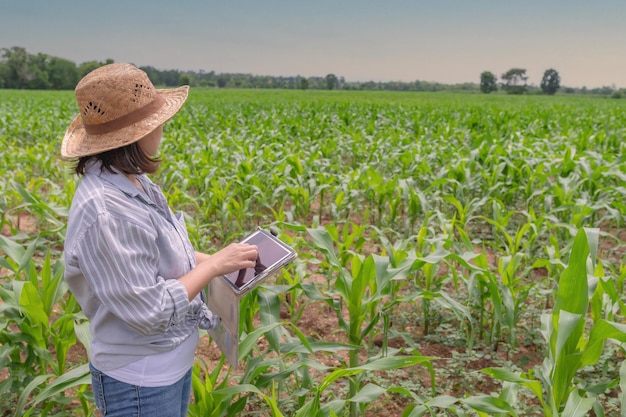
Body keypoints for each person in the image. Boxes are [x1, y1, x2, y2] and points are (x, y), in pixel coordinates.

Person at [61, 63, 259, 417]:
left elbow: (155, 254)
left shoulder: (130, 180)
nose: (162, 126)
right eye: (155, 121)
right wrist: (214, 266)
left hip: (163, 370)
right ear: (134, 135)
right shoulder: (106, 210)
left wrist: (221, 260)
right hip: (140, 383)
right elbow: (149, 310)